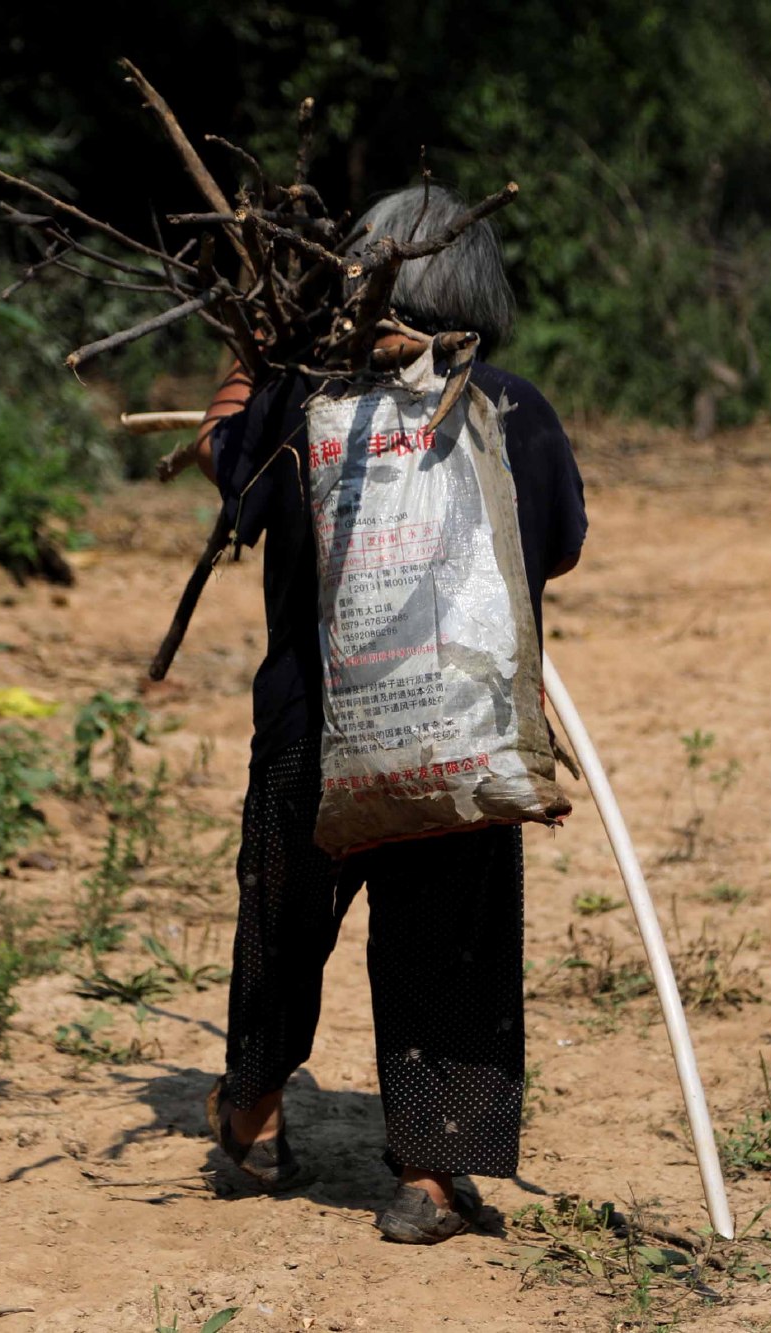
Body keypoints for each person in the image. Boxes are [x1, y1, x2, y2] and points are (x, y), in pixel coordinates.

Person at [190, 184, 587, 1244]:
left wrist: (249, 371)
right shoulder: (514, 411)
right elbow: (554, 547)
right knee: (451, 941)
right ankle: (429, 1173)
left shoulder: (297, 408)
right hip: (459, 731)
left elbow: (229, 480)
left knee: (280, 922)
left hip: (309, 737)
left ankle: (252, 1118)